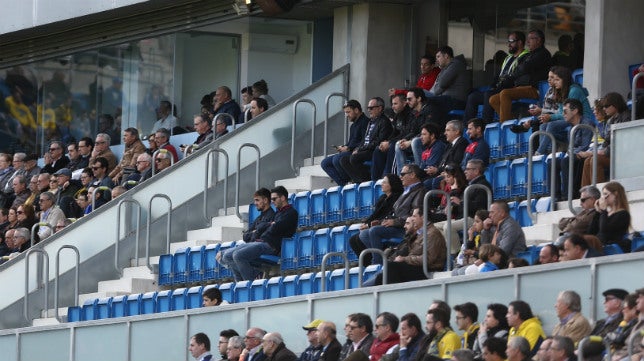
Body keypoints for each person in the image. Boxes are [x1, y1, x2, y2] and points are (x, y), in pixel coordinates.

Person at [357, 164, 425, 265]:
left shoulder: (420, 191)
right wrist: (381, 222)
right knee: (363, 234)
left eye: (402, 174)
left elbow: (415, 216)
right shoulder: (406, 191)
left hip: (407, 228)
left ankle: (378, 263)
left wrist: (395, 222)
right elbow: (394, 213)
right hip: (398, 225)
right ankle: (384, 257)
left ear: (412, 175)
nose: (400, 177)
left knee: (374, 231)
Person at [227, 186, 297, 281]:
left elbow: (275, 229)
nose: (272, 201)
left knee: (238, 255)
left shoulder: (291, 213)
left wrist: (270, 226)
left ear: (283, 198)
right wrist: (269, 225)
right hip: (262, 242)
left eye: (274, 199)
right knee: (227, 256)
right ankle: (241, 283)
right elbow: (265, 229)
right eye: (271, 199)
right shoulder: (278, 214)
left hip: (271, 246)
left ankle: (251, 284)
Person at [364, 207, 446, 286]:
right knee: (380, 278)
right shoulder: (420, 233)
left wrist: (405, 259)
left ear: (423, 217)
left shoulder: (432, 234)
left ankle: (394, 295)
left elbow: (428, 259)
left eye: (414, 216)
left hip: (428, 268)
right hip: (418, 266)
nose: (412, 219)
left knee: (392, 267)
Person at [464, 31, 529, 122]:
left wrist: (500, 85)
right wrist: (493, 85)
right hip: (499, 87)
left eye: (511, 41)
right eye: (508, 41)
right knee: (472, 97)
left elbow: (517, 77)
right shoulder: (508, 58)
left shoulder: (526, 57)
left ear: (520, 42)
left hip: (511, 88)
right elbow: (500, 75)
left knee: (489, 95)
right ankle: (468, 128)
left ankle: (485, 126)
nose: (509, 44)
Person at [489, 29, 552, 122]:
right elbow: (521, 68)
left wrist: (514, 73)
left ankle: (505, 125)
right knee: (493, 99)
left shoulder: (543, 54)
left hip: (534, 89)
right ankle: (511, 120)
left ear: (538, 40)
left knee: (505, 93)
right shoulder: (531, 54)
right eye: (528, 39)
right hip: (521, 88)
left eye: (530, 39)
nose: (528, 42)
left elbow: (524, 68)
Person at [436, 159, 492, 255]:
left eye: (468, 169)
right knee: (435, 227)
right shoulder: (471, 185)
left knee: (448, 227)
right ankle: (446, 252)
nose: (465, 171)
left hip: (474, 218)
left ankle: (456, 254)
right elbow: (462, 205)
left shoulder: (482, 185)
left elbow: (479, 207)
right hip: (463, 217)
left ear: (476, 171)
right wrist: (452, 206)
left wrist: (460, 202)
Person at [348, 174, 403, 265]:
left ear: (392, 184)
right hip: (378, 224)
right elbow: (375, 214)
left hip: (388, 225)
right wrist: (366, 223)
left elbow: (389, 215)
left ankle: (377, 261)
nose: (382, 184)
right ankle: (366, 266)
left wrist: (369, 225)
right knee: (353, 240)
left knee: (364, 235)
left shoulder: (397, 197)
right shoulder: (383, 198)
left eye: (385, 182)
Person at [580, 93, 630, 186]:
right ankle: (586, 192)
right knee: (588, 160)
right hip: (612, 153)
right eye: (603, 106)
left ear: (615, 105)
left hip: (622, 155)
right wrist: (600, 150)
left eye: (606, 106)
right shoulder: (611, 120)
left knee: (595, 159)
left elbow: (623, 141)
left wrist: (603, 151)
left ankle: (598, 191)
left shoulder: (626, 117)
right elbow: (607, 141)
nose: (604, 109)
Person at [340, 97, 393, 183]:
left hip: (373, 150)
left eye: (371, 108)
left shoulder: (384, 122)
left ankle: (366, 180)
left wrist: (361, 148)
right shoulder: (371, 121)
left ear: (380, 108)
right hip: (366, 149)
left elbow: (379, 141)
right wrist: (358, 148)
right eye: (368, 108)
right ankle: (359, 182)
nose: (369, 110)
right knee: (344, 160)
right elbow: (365, 139)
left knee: (354, 158)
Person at [321, 100, 369, 186]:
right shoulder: (353, 125)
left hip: (360, 152)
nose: (346, 115)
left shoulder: (366, 122)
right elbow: (351, 142)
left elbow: (365, 141)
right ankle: (345, 184)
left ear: (356, 110)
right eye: (345, 113)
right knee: (325, 163)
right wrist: (344, 147)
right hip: (351, 150)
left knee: (337, 159)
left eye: (348, 112)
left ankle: (352, 181)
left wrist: (349, 148)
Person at [424, 46, 470, 130]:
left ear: (446, 56)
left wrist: (441, 84)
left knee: (426, 99)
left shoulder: (456, 64)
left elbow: (441, 84)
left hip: (457, 101)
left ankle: (431, 132)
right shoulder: (445, 68)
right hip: (447, 99)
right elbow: (437, 89)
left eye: (438, 56)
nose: (437, 60)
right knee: (419, 95)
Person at [371, 94, 414, 180]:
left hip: (407, 142)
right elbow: (394, 133)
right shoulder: (398, 115)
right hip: (398, 140)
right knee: (378, 149)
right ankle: (375, 181)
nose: (393, 107)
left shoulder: (411, 115)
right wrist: (387, 141)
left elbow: (407, 133)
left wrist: (390, 143)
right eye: (392, 104)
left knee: (394, 145)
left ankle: (389, 177)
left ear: (404, 103)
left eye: (395, 104)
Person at [394, 88, 430, 173]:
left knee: (415, 141)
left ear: (419, 98)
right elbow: (413, 131)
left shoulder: (429, 110)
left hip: (431, 141)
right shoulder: (414, 113)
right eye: (406, 99)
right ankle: (402, 175)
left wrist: (410, 141)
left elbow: (429, 132)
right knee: (399, 144)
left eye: (410, 99)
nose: (407, 101)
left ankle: (419, 174)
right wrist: (405, 139)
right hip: (418, 139)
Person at [589, 181, 631, 252]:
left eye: (605, 194)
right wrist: (598, 212)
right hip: (599, 247)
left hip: (611, 248)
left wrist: (603, 210)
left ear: (615, 194)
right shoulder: (605, 214)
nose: (603, 198)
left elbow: (604, 231)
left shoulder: (623, 214)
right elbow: (591, 231)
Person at [418, 123, 447, 189]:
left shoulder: (438, 147)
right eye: (421, 134)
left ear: (432, 136)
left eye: (424, 134)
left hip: (435, 175)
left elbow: (429, 169)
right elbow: (422, 167)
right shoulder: (427, 149)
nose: (421, 137)